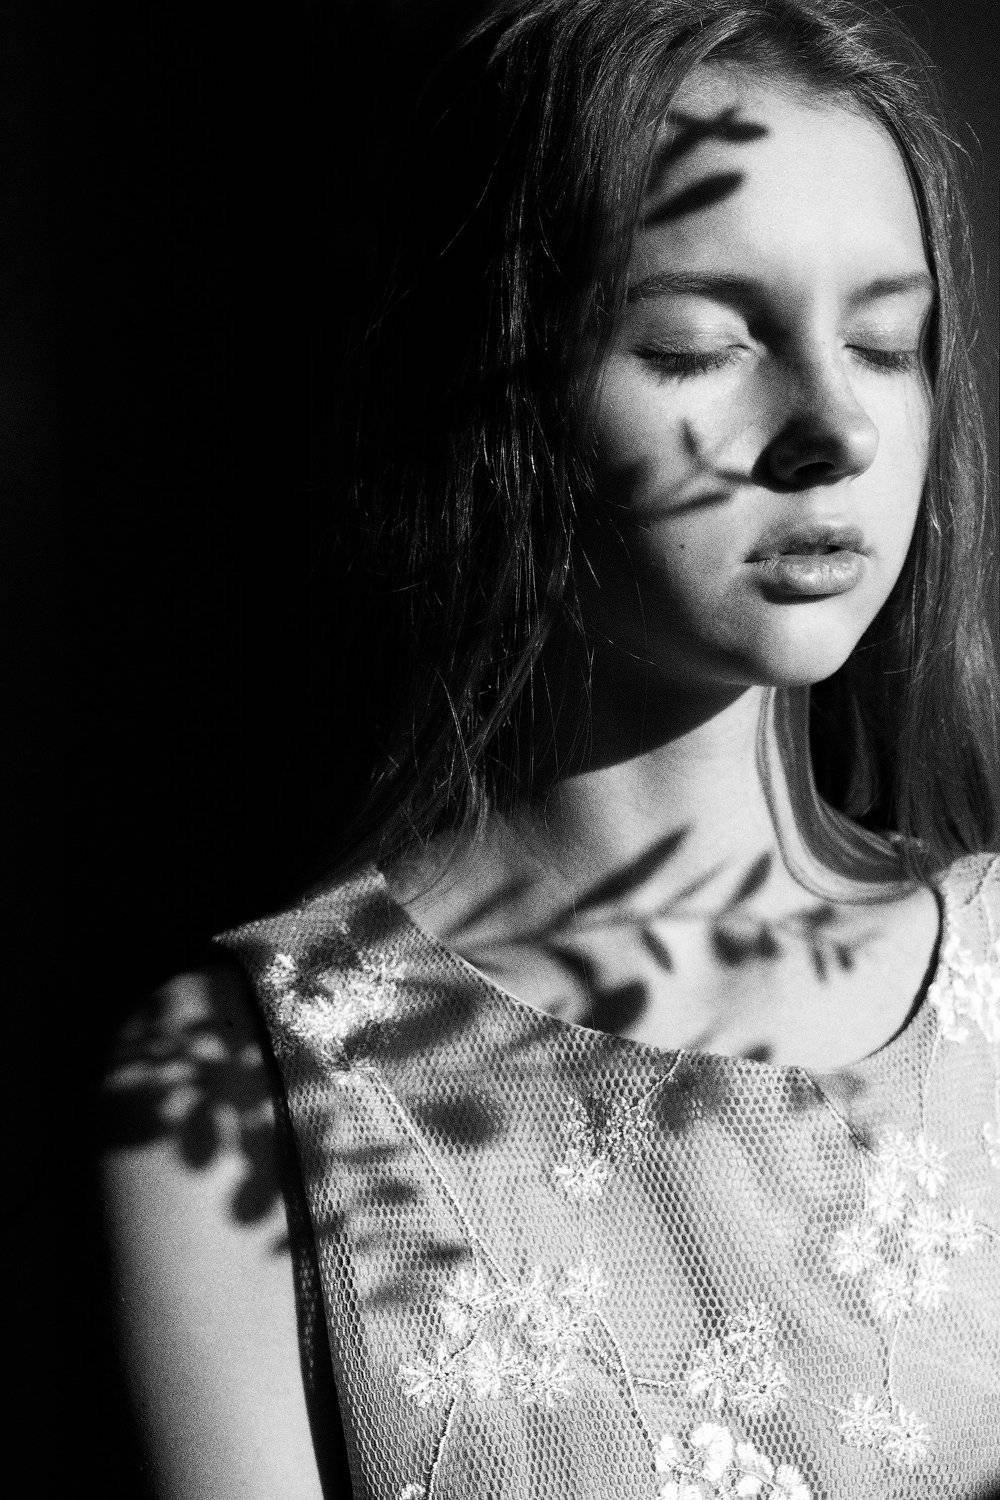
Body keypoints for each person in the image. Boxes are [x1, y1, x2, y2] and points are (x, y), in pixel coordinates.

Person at [100, 1, 1000, 1496]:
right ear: (497, 389)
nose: (835, 424)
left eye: (884, 342)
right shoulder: (250, 1089)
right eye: (700, 345)